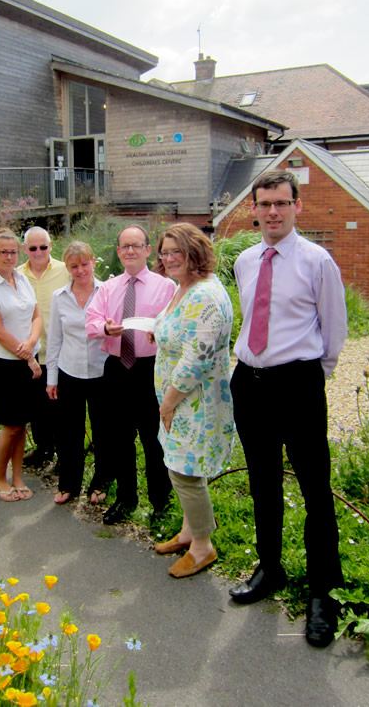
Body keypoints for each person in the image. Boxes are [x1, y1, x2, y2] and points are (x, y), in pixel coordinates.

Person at [228, 169, 347, 649]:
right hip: (249, 384)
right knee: (262, 483)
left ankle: (324, 592)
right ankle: (270, 567)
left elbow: (333, 330)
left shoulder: (319, 262)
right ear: (253, 209)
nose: (272, 212)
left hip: (297, 384)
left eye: (281, 202)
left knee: (317, 490)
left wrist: (311, 376)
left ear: (297, 206)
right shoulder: (245, 260)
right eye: (264, 204)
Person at [152, 223, 235, 578]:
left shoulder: (204, 296)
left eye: (177, 252)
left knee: (184, 472)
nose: (169, 259)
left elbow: (196, 360)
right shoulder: (184, 288)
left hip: (192, 402)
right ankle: (189, 531)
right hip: (183, 402)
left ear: (194, 254)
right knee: (185, 467)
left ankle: (202, 547)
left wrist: (168, 402)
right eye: (165, 252)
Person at [86, 224, 176, 526]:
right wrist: (104, 329)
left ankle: (160, 501)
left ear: (148, 250)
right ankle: (126, 498)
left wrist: (160, 333)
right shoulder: (109, 288)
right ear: (118, 251)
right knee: (120, 438)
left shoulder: (167, 287)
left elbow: (174, 326)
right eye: (125, 246)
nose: (130, 251)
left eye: (136, 245)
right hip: (116, 369)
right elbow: (91, 322)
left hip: (150, 370)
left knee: (154, 439)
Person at [0, 228, 42, 501]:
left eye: (13, 251)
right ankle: (1, 479)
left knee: (22, 423)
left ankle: (18, 476)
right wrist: (28, 356)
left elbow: (37, 316)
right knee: (11, 425)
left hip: (28, 359)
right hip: (5, 363)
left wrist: (32, 345)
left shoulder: (23, 279)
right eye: (2, 251)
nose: (8, 256)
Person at [45, 241, 109, 504]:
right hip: (69, 372)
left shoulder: (108, 292)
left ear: (94, 261)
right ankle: (69, 484)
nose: (80, 270)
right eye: (74, 266)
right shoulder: (59, 297)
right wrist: (52, 378)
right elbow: (54, 340)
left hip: (102, 372)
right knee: (68, 432)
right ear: (67, 267)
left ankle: (101, 481)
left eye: (84, 264)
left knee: (104, 431)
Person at [18, 226, 69, 467]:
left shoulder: (65, 270)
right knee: (37, 408)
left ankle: (65, 454)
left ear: (51, 246)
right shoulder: (17, 275)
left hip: (60, 351)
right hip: (31, 353)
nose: (38, 252)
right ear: (24, 249)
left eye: (43, 247)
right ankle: (44, 449)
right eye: (32, 248)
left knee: (61, 408)